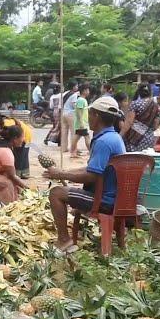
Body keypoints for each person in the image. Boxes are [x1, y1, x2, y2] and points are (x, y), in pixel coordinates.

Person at [43, 96, 126, 253]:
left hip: (104, 201)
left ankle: (64, 240)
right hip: (114, 196)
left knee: (56, 193)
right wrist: (62, 172)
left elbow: (91, 176)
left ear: (96, 116)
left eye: (90, 114)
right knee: (64, 190)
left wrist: (61, 174)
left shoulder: (103, 142)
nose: (88, 118)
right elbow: (91, 168)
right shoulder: (114, 137)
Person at [0, 111, 33, 179]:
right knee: (23, 154)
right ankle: (24, 173)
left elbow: (12, 133)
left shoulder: (7, 123)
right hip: (21, 135)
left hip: (24, 135)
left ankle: (18, 174)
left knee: (19, 155)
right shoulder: (2, 123)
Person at [121, 83, 160, 152]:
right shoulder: (156, 106)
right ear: (151, 93)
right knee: (144, 159)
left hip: (134, 138)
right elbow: (155, 125)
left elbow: (129, 122)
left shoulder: (135, 103)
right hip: (148, 138)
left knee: (133, 159)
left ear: (139, 92)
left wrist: (120, 134)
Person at [71, 83, 92, 157]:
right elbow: (79, 112)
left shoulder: (82, 100)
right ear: (84, 91)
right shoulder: (81, 100)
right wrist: (81, 123)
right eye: (87, 90)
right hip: (82, 123)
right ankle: (91, 151)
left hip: (82, 122)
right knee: (87, 137)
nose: (89, 91)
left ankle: (73, 152)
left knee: (77, 137)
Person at [60, 82, 80, 153]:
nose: (77, 87)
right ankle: (73, 148)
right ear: (73, 87)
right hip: (71, 114)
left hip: (63, 113)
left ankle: (64, 148)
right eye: (76, 86)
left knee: (64, 132)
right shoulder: (74, 94)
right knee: (73, 132)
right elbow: (74, 105)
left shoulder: (65, 93)